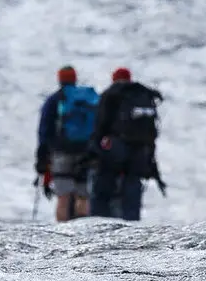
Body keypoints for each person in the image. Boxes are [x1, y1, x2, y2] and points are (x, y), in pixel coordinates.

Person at [90, 67, 162, 222]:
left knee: (104, 186)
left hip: (116, 147)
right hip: (141, 150)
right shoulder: (142, 94)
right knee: (132, 186)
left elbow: (101, 123)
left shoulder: (112, 93)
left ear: (114, 79)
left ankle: (99, 221)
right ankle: (132, 221)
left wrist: (95, 149)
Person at [36, 66, 99, 222]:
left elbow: (44, 131)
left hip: (61, 152)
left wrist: (42, 158)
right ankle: (83, 230)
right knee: (83, 196)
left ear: (60, 79)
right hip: (85, 153)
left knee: (63, 197)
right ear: (74, 78)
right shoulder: (88, 99)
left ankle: (63, 230)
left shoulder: (54, 100)